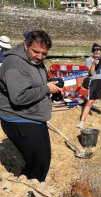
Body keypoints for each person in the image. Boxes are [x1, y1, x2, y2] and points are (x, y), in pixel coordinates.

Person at [0, 30, 62, 182]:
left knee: (42, 160)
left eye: (44, 54)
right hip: (19, 119)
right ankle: (28, 193)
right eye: (36, 52)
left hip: (33, 116)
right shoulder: (15, 64)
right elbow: (19, 97)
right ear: (26, 44)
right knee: (38, 163)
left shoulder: (35, 61)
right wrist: (47, 89)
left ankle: (35, 183)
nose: (40, 57)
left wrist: (50, 87)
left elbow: (36, 83)